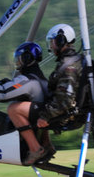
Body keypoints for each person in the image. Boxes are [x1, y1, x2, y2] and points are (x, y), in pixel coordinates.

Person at [7, 23, 86, 165]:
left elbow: (65, 100)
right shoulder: (74, 60)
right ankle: (46, 144)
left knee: (14, 109)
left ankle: (35, 148)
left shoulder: (69, 66)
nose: (52, 45)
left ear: (61, 41)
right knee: (42, 101)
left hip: (66, 115)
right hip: (69, 112)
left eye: (53, 42)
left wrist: (45, 116)